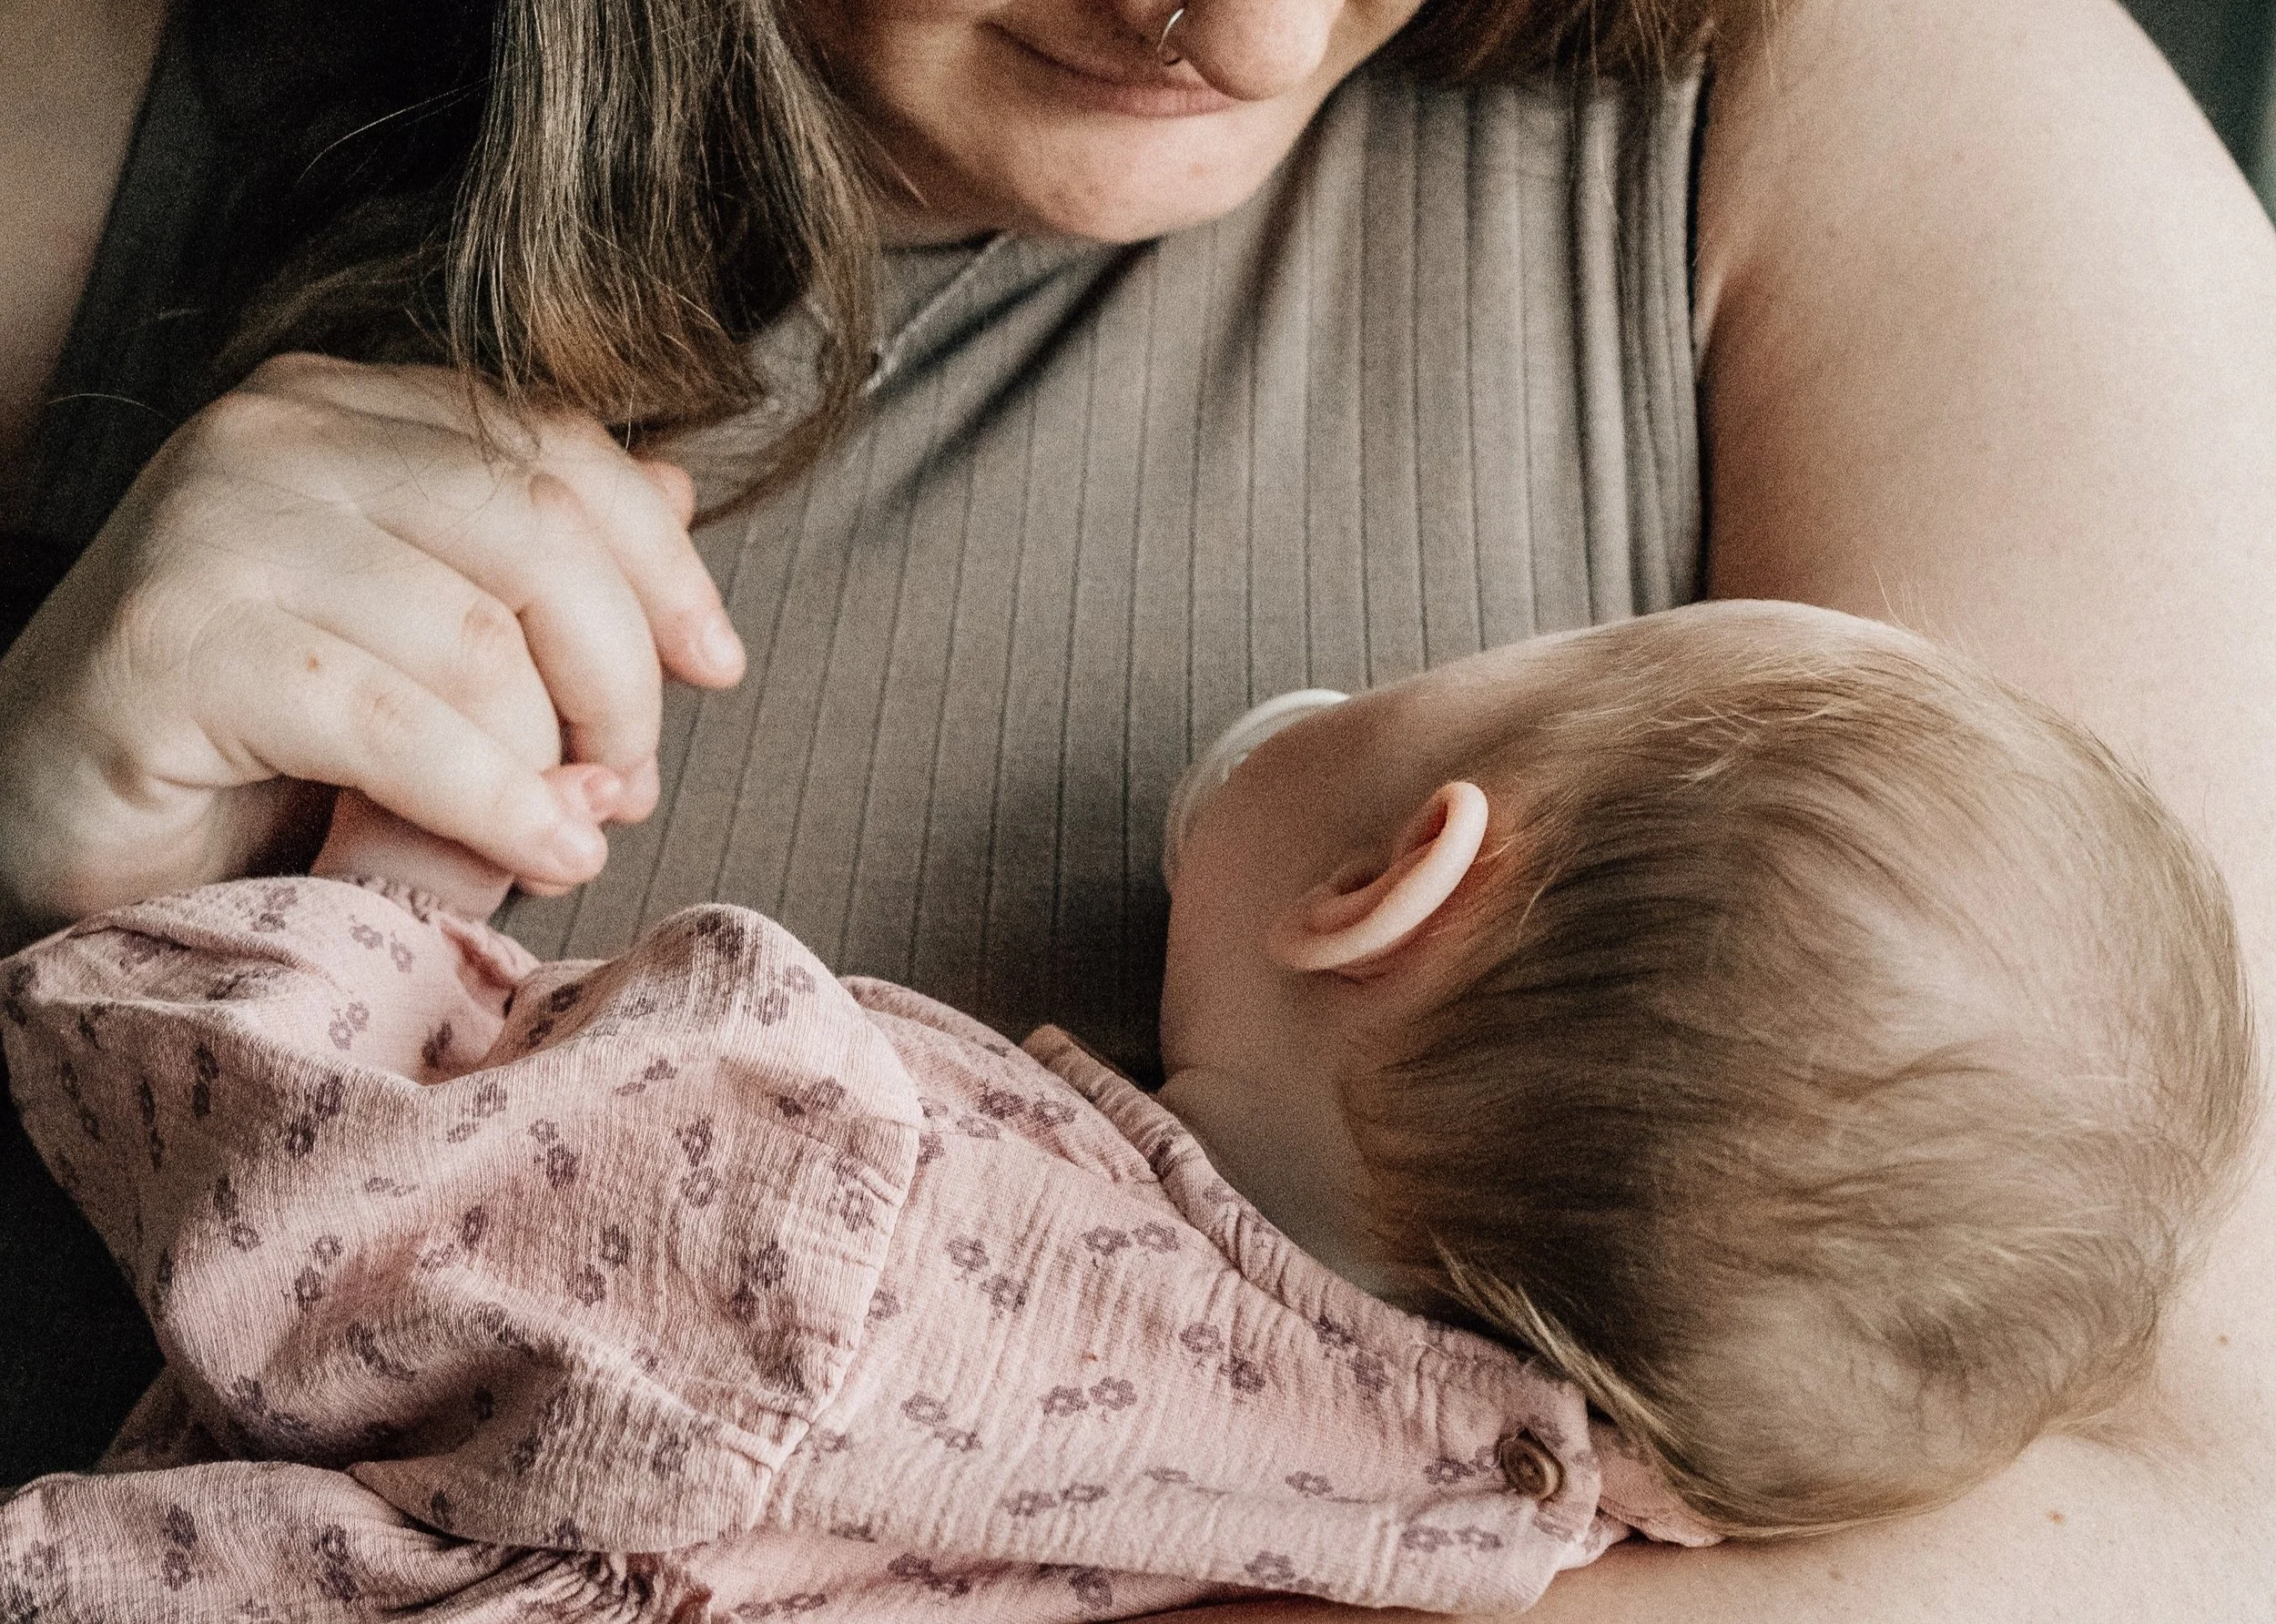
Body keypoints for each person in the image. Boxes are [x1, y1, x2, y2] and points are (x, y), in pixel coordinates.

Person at [0, 0, 2272, 1612]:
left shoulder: (1912, 135)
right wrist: (28, 824)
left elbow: (2187, 1516)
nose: (1261, 18)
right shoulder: (62, 97)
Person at [0, 601, 2250, 1619]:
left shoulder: (831, 1189)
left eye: (1498, 656)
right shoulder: (1521, 1507)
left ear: (1389, 879)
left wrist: (366, 904)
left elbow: (301, 1223)